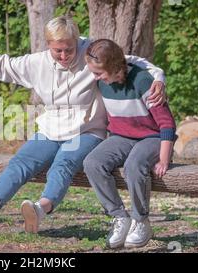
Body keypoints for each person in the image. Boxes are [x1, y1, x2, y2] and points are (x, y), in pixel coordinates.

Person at [0, 16, 167, 234]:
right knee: (21, 161)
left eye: (69, 50)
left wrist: (158, 77)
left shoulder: (90, 53)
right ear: (48, 45)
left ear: (78, 43)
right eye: (57, 51)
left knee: (63, 162)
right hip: (51, 129)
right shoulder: (37, 63)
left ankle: (40, 209)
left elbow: (129, 61)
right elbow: (3, 65)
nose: (63, 56)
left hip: (87, 131)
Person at [83, 39, 176, 248]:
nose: (95, 78)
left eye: (99, 73)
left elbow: (167, 123)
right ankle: (119, 217)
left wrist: (163, 158)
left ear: (116, 68)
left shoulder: (143, 81)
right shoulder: (102, 82)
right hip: (121, 137)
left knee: (134, 166)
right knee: (92, 163)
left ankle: (141, 220)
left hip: (153, 138)